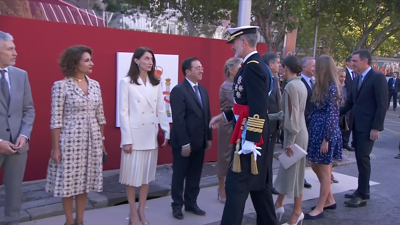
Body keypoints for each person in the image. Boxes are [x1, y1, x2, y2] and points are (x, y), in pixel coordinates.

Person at [209, 25, 277, 225]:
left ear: (244, 42)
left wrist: (251, 141)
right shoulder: (253, 64)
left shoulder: (254, 66)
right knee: (260, 187)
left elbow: (258, 106)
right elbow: (243, 105)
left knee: (236, 185)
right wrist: (224, 116)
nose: (232, 47)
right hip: (248, 130)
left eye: (234, 43)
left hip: (249, 136)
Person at [45, 46, 106, 225]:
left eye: (91, 59)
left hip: (92, 141)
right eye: (86, 60)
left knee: (85, 182)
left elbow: (100, 116)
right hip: (69, 142)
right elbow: (55, 120)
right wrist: (56, 148)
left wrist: (101, 143)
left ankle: (80, 220)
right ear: (74, 63)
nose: (91, 63)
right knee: (68, 184)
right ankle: (69, 221)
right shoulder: (61, 86)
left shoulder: (95, 85)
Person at [118, 47, 170, 225]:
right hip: (133, 137)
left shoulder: (156, 83)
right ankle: (133, 212)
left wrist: (166, 131)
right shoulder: (126, 82)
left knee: (146, 177)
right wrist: (126, 140)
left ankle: (142, 210)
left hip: (150, 135)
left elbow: (161, 110)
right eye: (146, 58)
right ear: (136, 61)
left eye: (151, 59)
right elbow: (123, 113)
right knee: (131, 178)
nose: (150, 62)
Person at [340, 49, 388, 207]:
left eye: (355, 61)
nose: (351, 63)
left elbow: (382, 104)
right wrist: (335, 113)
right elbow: (351, 103)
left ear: (365, 61)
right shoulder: (356, 78)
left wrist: (376, 128)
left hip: (368, 127)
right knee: (360, 158)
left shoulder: (377, 77)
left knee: (363, 158)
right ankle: (363, 189)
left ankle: (362, 195)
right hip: (357, 126)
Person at [169, 57, 212, 220]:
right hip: (184, 143)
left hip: (200, 142)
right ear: (187, 71)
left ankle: (191, 202)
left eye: (201, 67)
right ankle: (177, 205)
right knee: (180, 175)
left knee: (195, 174)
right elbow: (179, 120)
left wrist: (208, 137)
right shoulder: (178, 90)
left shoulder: (203, 90)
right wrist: (185, 143)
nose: (201, 70)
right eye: (197, 68)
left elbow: (206, 115)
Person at [0, 31, 35, 225]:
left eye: (15, 48)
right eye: (10, 49)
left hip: (18, 147)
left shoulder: (21, 75)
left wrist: (24, 134)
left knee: (14, 193)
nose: (15, 53)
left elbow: (28, 109)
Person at [304, 55, 342, 220]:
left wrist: (326, 138)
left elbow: (333, 115)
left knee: (325, 169)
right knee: (314, 164)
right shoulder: (321, 86)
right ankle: (329, 200)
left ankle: (320, 207)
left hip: (326, 132)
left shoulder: (333, 87)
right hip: (316, 130)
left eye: (317, 66)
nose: (314, 69)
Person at [273, 55, 307, 225]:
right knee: (289, 170)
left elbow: (293, 117)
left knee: (295, 174)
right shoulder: (300, 84)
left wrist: (290, 141)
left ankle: (297, 213)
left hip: (294, 134)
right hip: (298, 132)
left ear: (286, 68)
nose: (280, 70)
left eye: (281, 67)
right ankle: (279, 204)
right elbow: (292, 113)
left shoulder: (291, 86)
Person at [217, 57, 242, 203]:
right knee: (225, 157)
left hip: (239, 123)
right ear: (231, 70)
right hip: (228, 124)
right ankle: (221, 188)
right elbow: (237, 103)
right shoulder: (226, 86)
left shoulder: (239, 84)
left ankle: (230, 186)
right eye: (238, 67)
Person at [262, 52, 282, 196]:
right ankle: (263, 184)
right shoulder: (264, 79)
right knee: (263, 156)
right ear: (271, 64)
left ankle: (267, 184)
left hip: (274, 125)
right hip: (264, 124)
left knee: (269, 156)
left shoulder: (275, 79)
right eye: (278, 63)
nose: (280, 66)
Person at [300, 56, 315, 189]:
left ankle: (300, 176)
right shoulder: (299, 82)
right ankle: (299, 177)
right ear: (304, 68)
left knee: (305, 152)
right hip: (302, 122)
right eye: (312, 66)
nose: (315, 69)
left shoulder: (313, 82)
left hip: (311, 123)